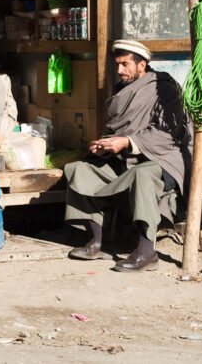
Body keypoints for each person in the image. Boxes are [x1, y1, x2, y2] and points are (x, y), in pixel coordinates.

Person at [63, 39, 193, 272]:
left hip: (163, 159)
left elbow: (169, 133)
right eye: (117, 65)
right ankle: (96, 241)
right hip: (127, 159)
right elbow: (120, 130)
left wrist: (126, 142)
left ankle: (147, 251)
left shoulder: (164, 88)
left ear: (141, 65)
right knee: (80, 169)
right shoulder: (122, 89)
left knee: (143, 175)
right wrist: (106, 146)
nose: (120, 70)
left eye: (125, 65)